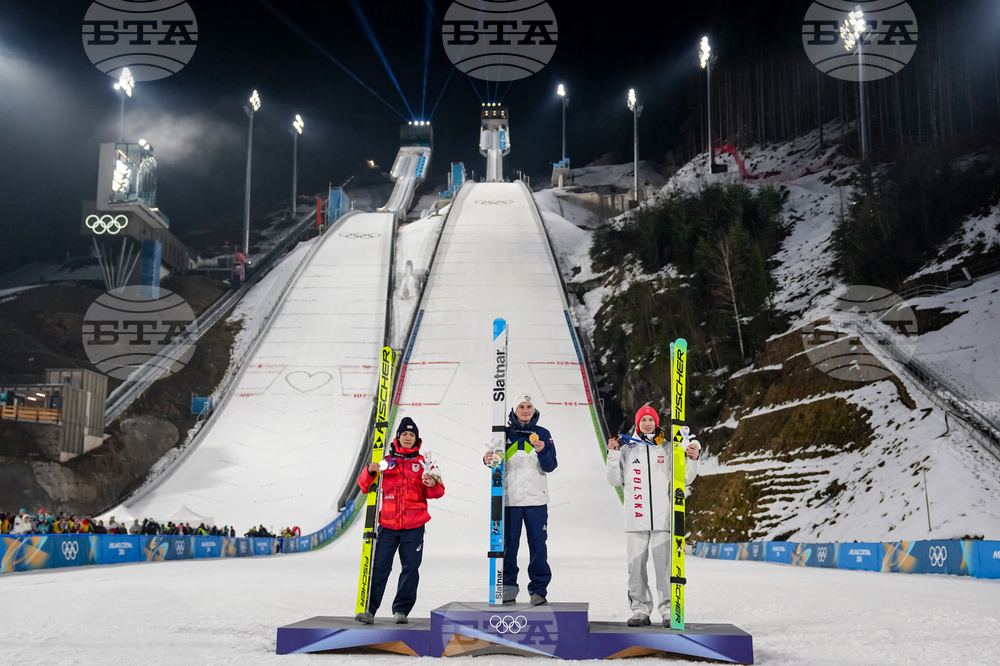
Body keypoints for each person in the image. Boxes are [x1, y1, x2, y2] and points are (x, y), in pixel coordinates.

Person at [606, 405, 701, 627]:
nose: (647, 423)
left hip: (662, 518)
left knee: (664, 568)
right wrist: (613, 454)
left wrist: (693, 459)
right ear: (637, 423)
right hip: (635, 517)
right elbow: (613, 480)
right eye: (643, 420)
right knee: (636, 567)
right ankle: (640, 610)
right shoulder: (627, 449)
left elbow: (685, 478)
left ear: (657, 423)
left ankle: (668, 611)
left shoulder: (669, 448)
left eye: (651, 419)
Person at [356, 417, 444, 625]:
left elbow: (438, 492)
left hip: (414, 527)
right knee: (379, 567)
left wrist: (432, 483)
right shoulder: (385, 462)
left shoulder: (424, 463)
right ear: (398, 437)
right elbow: (364, 485)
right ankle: (369, 609)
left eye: (412, 435)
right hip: (387, 525)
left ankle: (401, 610)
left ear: (417, 439)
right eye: (404, 434)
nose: (408, 437)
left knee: (410, 569)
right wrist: (370, 471)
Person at [482, 392, 557, 606]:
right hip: (510, 501)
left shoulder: (543, 433)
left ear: (534, 411)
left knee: (538, 547)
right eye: (521, 407)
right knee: (509, 547)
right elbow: (493, 458)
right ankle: (507, 587)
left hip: (536, 502)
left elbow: (551, 465)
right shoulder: (503, 434)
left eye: (529, 407)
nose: (525, 411)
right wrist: (486, 459)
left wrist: (542, 451)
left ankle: (538, 590)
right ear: (514, 410)